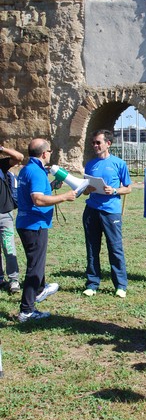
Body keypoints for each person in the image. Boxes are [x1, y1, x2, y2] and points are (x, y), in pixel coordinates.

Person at [16, 138, 77, 322]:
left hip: (27, 223)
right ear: (44, 153)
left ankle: (41, 289)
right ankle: (27, 310)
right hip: (35, 225)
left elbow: (36, 194)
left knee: (36, 262)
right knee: (35, 267)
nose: (50, 153)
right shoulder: (36, 171)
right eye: (49, 151)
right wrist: (65, 196)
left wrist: (51, 187)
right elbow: (38, 199)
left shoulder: (28, 168)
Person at [82, 129, 132, 298]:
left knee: (115, 248)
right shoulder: (90, 164)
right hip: (91, 211)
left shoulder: (119, 164)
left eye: (98, 142)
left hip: (111, 212)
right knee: (91, 248)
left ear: (108, 144)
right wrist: (86, 190)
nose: (95, 145)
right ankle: (92, 283)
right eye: (93, 143)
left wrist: (115, 190)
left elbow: (129, 188)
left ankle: (120, 285)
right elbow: (84, 190)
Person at [0, 143, 24, 294]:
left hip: (4, 214)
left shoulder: (1, 164)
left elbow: (19, 157)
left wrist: (1, 149)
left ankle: (14, 280)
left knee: (8, 247)